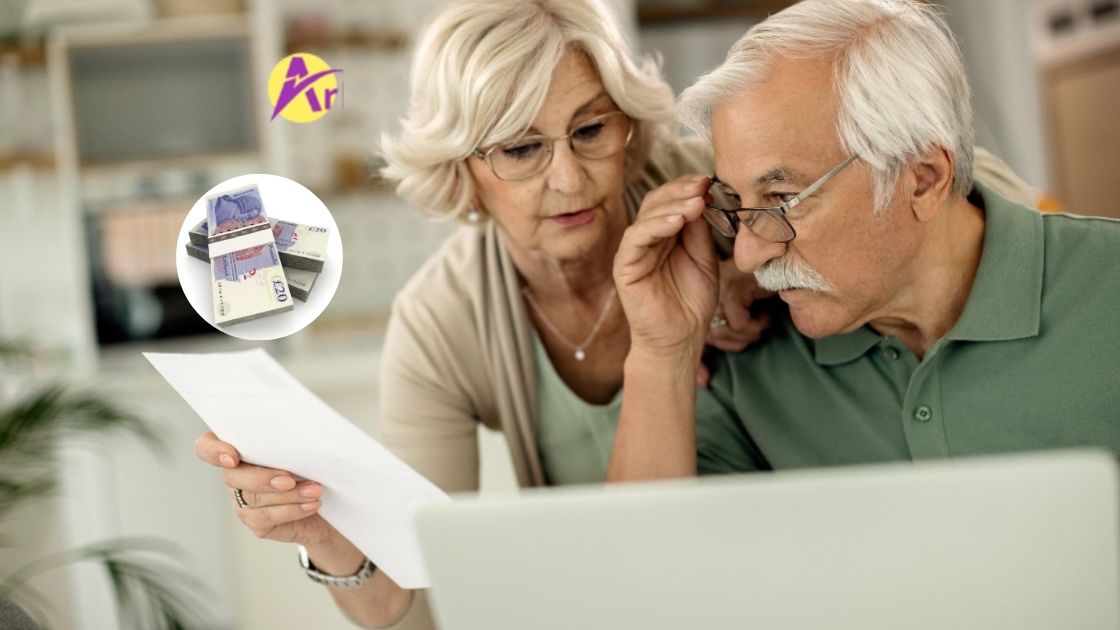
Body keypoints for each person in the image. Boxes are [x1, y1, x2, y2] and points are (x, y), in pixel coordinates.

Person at [194, 0, 1036, 628]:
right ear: (462, 170)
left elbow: (968, 191)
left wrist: (777, 250)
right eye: (522, 149)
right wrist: (326, 538)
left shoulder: (716, 191)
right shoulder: (443, 323)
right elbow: (416, 603)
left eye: (591, 130)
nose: (570, 179)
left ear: (627, 126)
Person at [608, 0, 1120, 483]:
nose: (745, 255)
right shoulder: (749, 355)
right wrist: (662, 351)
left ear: (922, 179)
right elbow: (644, 566)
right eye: (735, 202)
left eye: (781, 197)